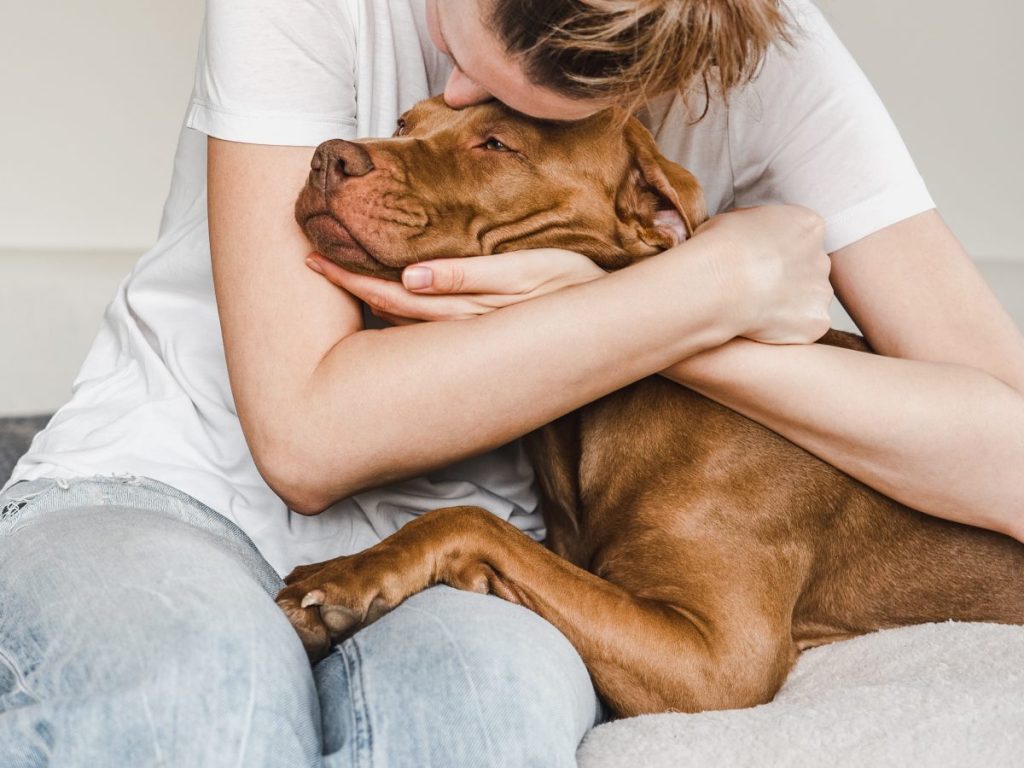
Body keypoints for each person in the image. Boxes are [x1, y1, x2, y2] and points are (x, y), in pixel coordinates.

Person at [2, 0, 1022, 764]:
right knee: (196, 686)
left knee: (482, 716)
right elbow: (308, 439)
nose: (442, 104)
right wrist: (693, 289)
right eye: (455, 69)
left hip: (485, 545)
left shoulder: (762, 57)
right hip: (171, 487)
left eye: (496, 131)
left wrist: (679, 301)